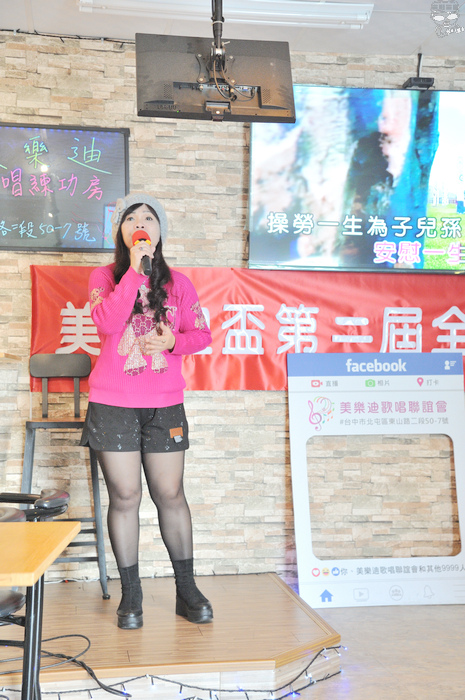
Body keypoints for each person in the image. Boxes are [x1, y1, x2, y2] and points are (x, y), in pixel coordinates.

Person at [80, 192, 213, 629]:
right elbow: (106, 323)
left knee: (170, 495)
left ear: (159, 232)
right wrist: (135, 275)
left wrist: (174, 341)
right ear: (122, 232)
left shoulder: (180, 284)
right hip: (112, 404)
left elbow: (202, 335)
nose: (141, 223)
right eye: (131, 218)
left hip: (164, 404)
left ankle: (186, 590)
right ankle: (131, 593)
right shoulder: (104, 276)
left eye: (149, 218)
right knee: (125, 497)